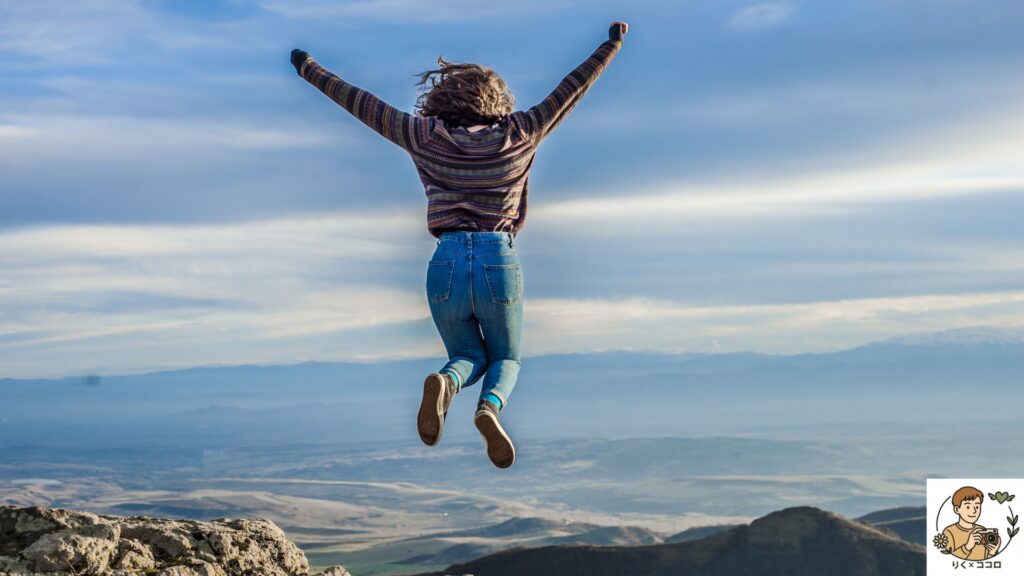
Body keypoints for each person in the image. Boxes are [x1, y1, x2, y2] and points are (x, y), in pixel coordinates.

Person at [291, 21, 627, 468]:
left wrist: (308, 68)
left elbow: (361, 103)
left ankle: (448, 382)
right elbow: (571, 88)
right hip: (497, 257)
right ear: (498, 102)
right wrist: (611, 44)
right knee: (506, 356)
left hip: (445, 261)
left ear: (441, 101)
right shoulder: (521, 133)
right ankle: (489, 409)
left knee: (467, 354)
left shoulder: (424, 136)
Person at [942, 486, 1001, 559]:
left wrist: (993, 553)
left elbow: (986, 562)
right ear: (957, 509)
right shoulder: (949, 532)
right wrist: (967, 547)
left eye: (977, 507)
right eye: (968, 507)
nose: (974, 511)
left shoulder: (982, 531)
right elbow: (947, 560)